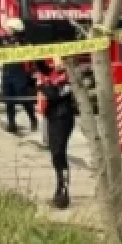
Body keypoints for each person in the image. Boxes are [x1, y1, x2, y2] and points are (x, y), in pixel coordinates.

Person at [36, 60, 76, 209]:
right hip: (50, 117)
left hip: (63, 117)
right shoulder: (43, 74)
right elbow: (41, 87)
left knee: (59, 152)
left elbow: (56, 94)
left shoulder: (67, 75)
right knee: (54, 155)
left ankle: (63, 191)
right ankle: (60, 186)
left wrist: (46, 90)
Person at [0, 18, 38, 135]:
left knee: (23, 98)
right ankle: (11, 124)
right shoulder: (5, 40)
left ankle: (33, 119)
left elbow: (31, 57)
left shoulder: (24, 42)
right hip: (7, 72)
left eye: (9, 29)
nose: (7, 30)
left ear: (15, 29)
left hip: (19, 73)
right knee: (9, 100)